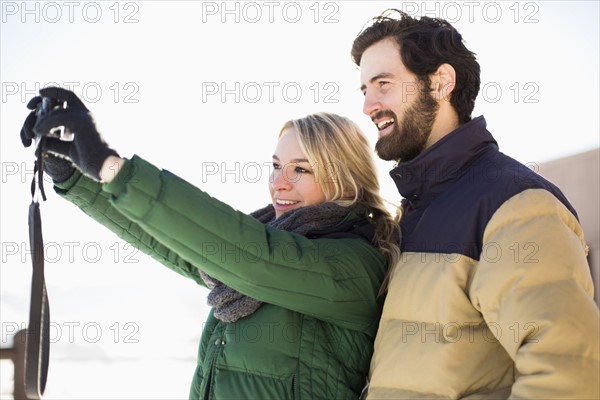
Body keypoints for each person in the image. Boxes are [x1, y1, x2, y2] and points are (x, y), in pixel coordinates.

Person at [20, 87, 401, 399]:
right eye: (275, 165)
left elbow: (250, 256)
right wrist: (76, 175)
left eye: (301, 169)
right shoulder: (257, 253)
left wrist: (110, 165)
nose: (279, 182)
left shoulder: (351, 265)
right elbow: (178, 243)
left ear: (346, 179)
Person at [351, 9, 599, 399]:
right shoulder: (412, 214)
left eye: (383, 84)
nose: (368, 106)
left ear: (440, 83)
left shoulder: (514, 205)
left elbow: (568, 372)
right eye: (365, 90)